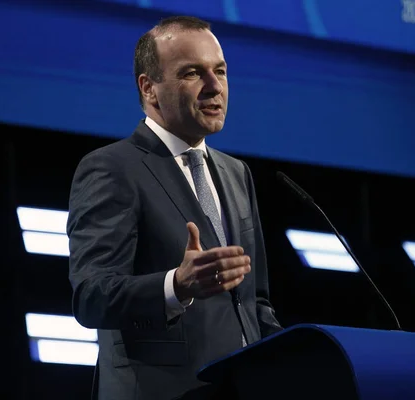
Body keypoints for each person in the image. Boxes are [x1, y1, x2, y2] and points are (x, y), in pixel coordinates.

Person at [66, 15, 283, 400]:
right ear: (150, 89)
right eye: (192, 74)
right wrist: (176, 285)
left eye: (220, 71)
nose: (214, 87)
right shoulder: (112, 168)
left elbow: (253, 301)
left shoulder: (236, 174)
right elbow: (92, 296)